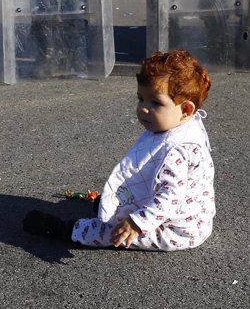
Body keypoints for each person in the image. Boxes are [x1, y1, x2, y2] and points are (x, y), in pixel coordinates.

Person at [23, 49, 215, 251]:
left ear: (185, 110)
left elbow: (171, 197)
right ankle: (119, 206)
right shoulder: (184, 125)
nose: (143, 108)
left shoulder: (176, 150)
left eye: (156, 103)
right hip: (195, 216)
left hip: (176, 230)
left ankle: (65, 229)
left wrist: (137, 223)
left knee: (111, 232)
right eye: (141, 99)